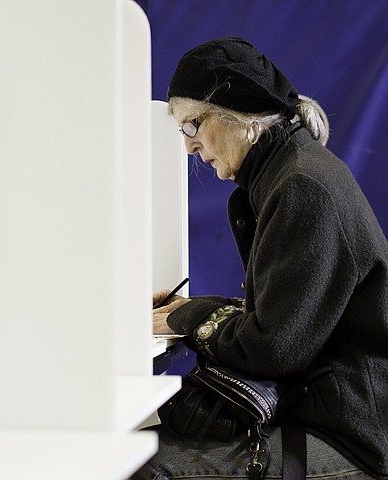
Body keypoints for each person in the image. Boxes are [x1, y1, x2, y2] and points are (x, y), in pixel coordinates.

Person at [132, 37, 388, 479]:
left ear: (243, 115)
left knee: (143, 464)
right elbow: (283, 321)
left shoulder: (303, 186)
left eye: (192, 125)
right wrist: (191, 310)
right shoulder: (288, 174)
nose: (189, 146)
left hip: (352, 434)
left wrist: (188, 318)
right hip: (322, 409)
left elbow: (272, 349)